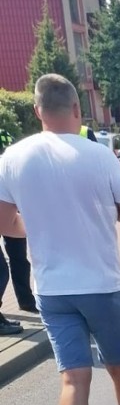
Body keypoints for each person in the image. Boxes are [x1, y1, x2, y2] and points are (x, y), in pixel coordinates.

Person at [0, 73, 120, 405]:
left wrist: (42, 225)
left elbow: (5, 223)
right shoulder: (98, 155)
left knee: (73, 379)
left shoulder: (12, 157)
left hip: (52, 288)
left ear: (36, 110)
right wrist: (101, 212)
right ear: (78, 110)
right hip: (102, 284)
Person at [0, 126, 37, 334]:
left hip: (12, 213)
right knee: (0, 271)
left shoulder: (6, 138)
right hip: (7, 213)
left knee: (19, 260)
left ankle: (26, 300)